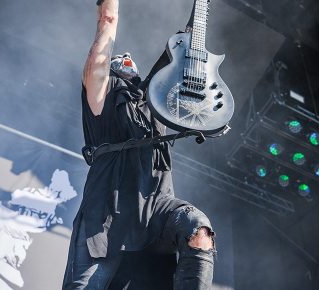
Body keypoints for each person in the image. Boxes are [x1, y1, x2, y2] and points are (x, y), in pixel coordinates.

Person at [62, 0, 216, 289]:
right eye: (120, 58)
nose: (129, 55)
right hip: (107, 214)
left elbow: (185, 47)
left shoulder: (153, 101)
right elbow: (106, 26)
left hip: (156, 205)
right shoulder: (102, 99)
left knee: (198, 229)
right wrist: (110, 11)